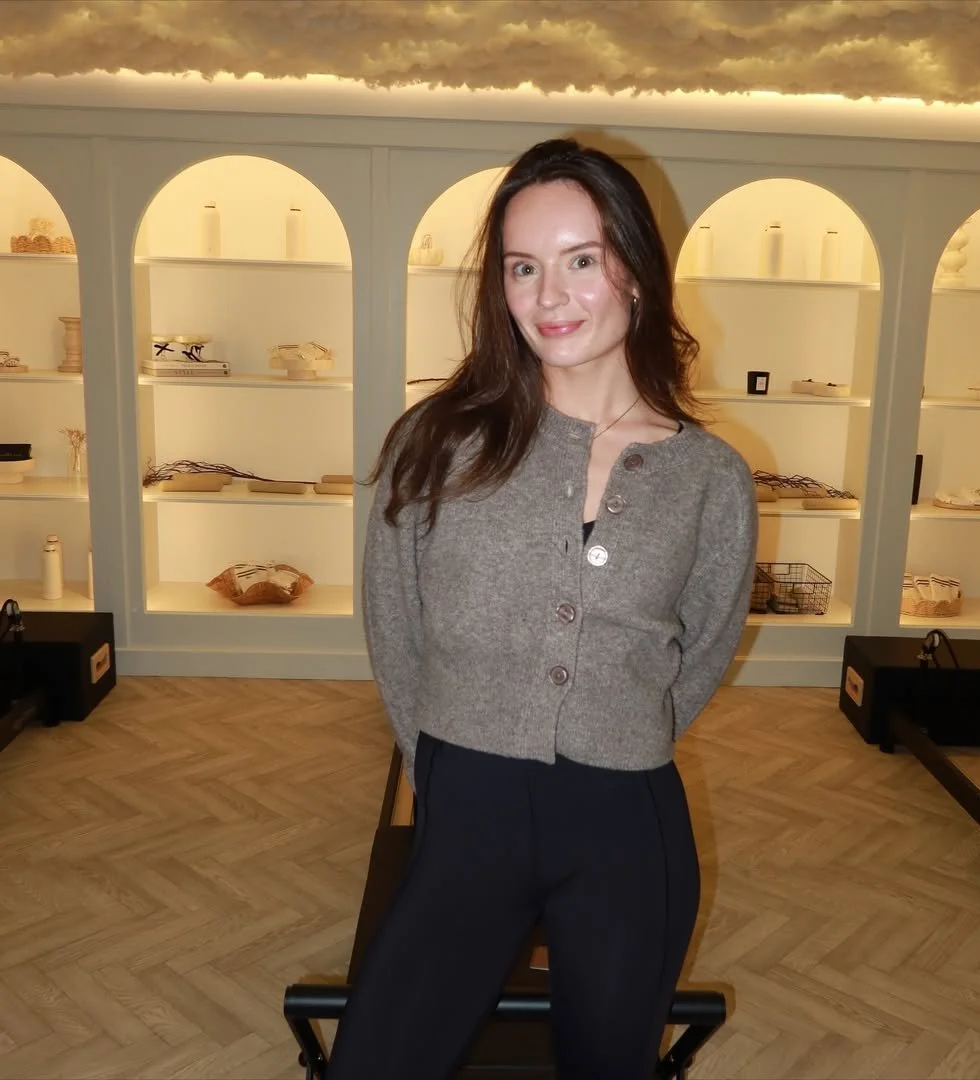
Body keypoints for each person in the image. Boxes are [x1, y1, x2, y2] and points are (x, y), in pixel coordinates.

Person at [327, 137, 757, 1080]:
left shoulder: (709, 478)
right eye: (523, 267)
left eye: (581, 260)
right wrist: (442, 765)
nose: (549, 296)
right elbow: (394, 622)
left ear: (634, 270)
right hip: (468, 804)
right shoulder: (438, 443)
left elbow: (702, 645)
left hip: (626, 821)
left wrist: (619, 726)